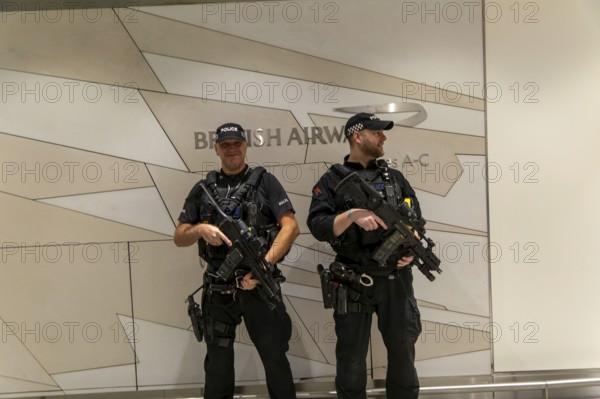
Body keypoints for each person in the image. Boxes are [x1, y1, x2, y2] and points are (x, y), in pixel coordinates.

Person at [174, 122, 299, 399]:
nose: (232, 149)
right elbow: (180, 235)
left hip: (259, 285)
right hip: (219, 290)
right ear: (216, 149)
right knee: (217, 367)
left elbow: (290, 226)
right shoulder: (203, 189)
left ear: (245, 146)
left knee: (275, 360)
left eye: (237, 143)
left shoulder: (265, 182)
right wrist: (200, 230)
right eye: (225, 144)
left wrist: (263, 265)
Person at [307, 113, 423, 399]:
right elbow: (318, 226)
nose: (383, 137)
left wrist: (412, 249)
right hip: (354, 280)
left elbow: (418, 222)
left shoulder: (395, 178)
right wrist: (351, 215)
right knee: (351, 361)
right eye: (377, 132)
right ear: (357, 136)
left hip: (396, 280)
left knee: (403, 358)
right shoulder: (331, 180)